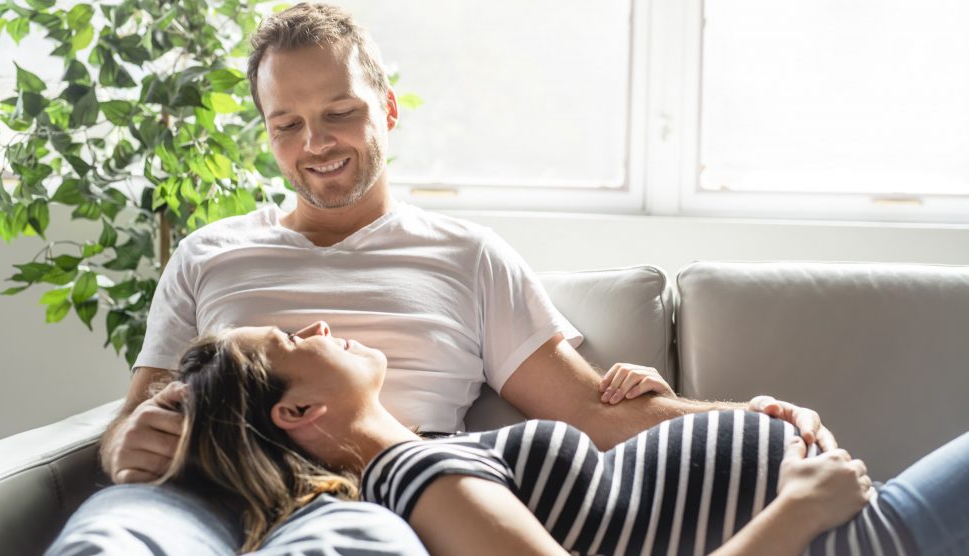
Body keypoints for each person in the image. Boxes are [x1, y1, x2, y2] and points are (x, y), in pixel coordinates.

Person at [52, 3, 836, 554]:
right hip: (197, 493)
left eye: (339, 113)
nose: (315, 143)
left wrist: (761, 416)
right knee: (109, 539)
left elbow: (588, 411)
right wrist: (128, 447)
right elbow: (128, 422)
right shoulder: (207, 254)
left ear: (388, 110)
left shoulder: (467, 255)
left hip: (362, 497)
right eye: (287, 125)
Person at [159, 323, 969, 555]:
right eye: (291, 341)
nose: (317, 326)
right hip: (857, 540)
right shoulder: (415, 477)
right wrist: (798, 509)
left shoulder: (425, 456)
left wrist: (728, 421)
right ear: (296, 412)